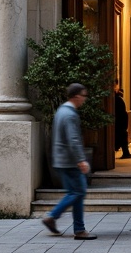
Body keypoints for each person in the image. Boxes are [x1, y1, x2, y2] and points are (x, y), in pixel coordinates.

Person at [40, 83, 95, 240]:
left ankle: (79, 229)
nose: (84, 99)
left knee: (76, 193)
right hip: (70, 161)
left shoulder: (61, 111)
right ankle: (53, 216)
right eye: (84, 96)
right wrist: (81, 160)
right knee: (78, 192)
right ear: (76, 96)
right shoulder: (70, 114)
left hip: (61, 159)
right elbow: (73, 139)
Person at [113, 80, 131, 159]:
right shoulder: (118, 99)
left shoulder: (116, 99)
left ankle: (126, 153)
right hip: (121, 121)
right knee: (122, 138)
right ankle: (126, 153)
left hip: (119, 121)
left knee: (121, 137)